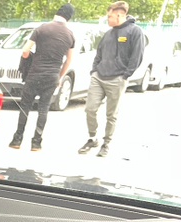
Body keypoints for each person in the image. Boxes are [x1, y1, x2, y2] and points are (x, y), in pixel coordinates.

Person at [78, 1, 145, 157]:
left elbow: (137, 56)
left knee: (111, 114)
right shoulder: (108, 33)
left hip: (117, 78)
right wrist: (94, 71)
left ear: (119, 15)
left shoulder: (135, 31)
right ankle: (92, 138)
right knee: (90, 109)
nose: (107, 19)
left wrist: (126, 75)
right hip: (99, 76)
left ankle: (106, 143)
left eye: (109, 16)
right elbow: (99, 53)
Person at [9, 4, 75, 152]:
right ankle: (36, 143)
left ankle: (17, 140)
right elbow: (68, 60)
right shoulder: (70, 35)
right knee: (43, 108)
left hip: (35, 73)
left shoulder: (42, 29)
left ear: (57, 13)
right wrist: (59, 76)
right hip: (52, 76)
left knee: (25, 106)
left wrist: (28, 62)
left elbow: (25, 51)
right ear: (69, 17)